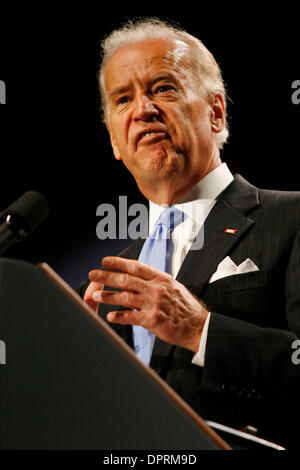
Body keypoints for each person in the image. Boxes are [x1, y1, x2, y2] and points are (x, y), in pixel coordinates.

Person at [80, 18, 300, 448]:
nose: (143, 109)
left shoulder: (291, 219)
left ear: (216, 112)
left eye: (163, 88)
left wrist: (202, 329)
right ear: (114, 140)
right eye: (123, 98)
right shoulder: (106, 286)